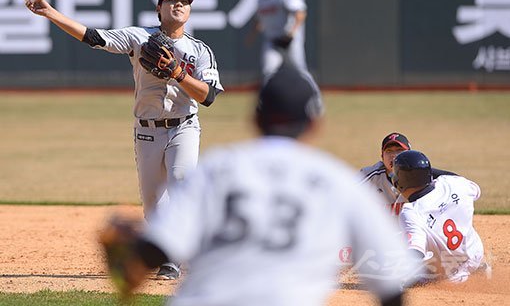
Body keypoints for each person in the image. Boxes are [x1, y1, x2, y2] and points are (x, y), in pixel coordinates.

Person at [99, 63, 422, 306]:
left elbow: (147, 257)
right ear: (315, 124)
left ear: (254, 119)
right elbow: (392, 288)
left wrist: (120, 257)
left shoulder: (216, 168)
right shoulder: (338, 182)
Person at [25, 0, 224, 280]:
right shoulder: (138, 37)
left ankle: (176, 257)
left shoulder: (199, 50)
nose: (179, 5)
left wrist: (178, 73)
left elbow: (207, 96)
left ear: (190, 9)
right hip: (146, 130)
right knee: (153, 202)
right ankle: (166, 253)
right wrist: (52, 13)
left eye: (184, 0)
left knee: (182, 184)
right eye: (171, 0)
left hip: (184, 126)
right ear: (159, 9)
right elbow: (94, 38)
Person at [392, 150, 487, 283]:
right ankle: (479, 269)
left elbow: (416, 250)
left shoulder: (411, 211)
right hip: (476, 254)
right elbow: (475, 190)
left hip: (450, 275)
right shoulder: (452, 183)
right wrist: (424, 170)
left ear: (400, 181)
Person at [360, 132, 457, 215]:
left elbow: (456, 180)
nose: (393, 155)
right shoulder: (369, 176)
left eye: (399, 150)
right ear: (382, 156)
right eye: (389, 151)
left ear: (409, 154)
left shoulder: (421, 173)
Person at [246, 0, 311, 84]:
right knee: (268, 71)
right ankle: (267, 100)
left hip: (288, 39)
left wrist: (292, 32)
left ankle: (315, 98)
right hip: (272, 41)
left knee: (300, 71)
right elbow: (258, 21)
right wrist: (252, 36)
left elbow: (300, 12)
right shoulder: (261, 0)